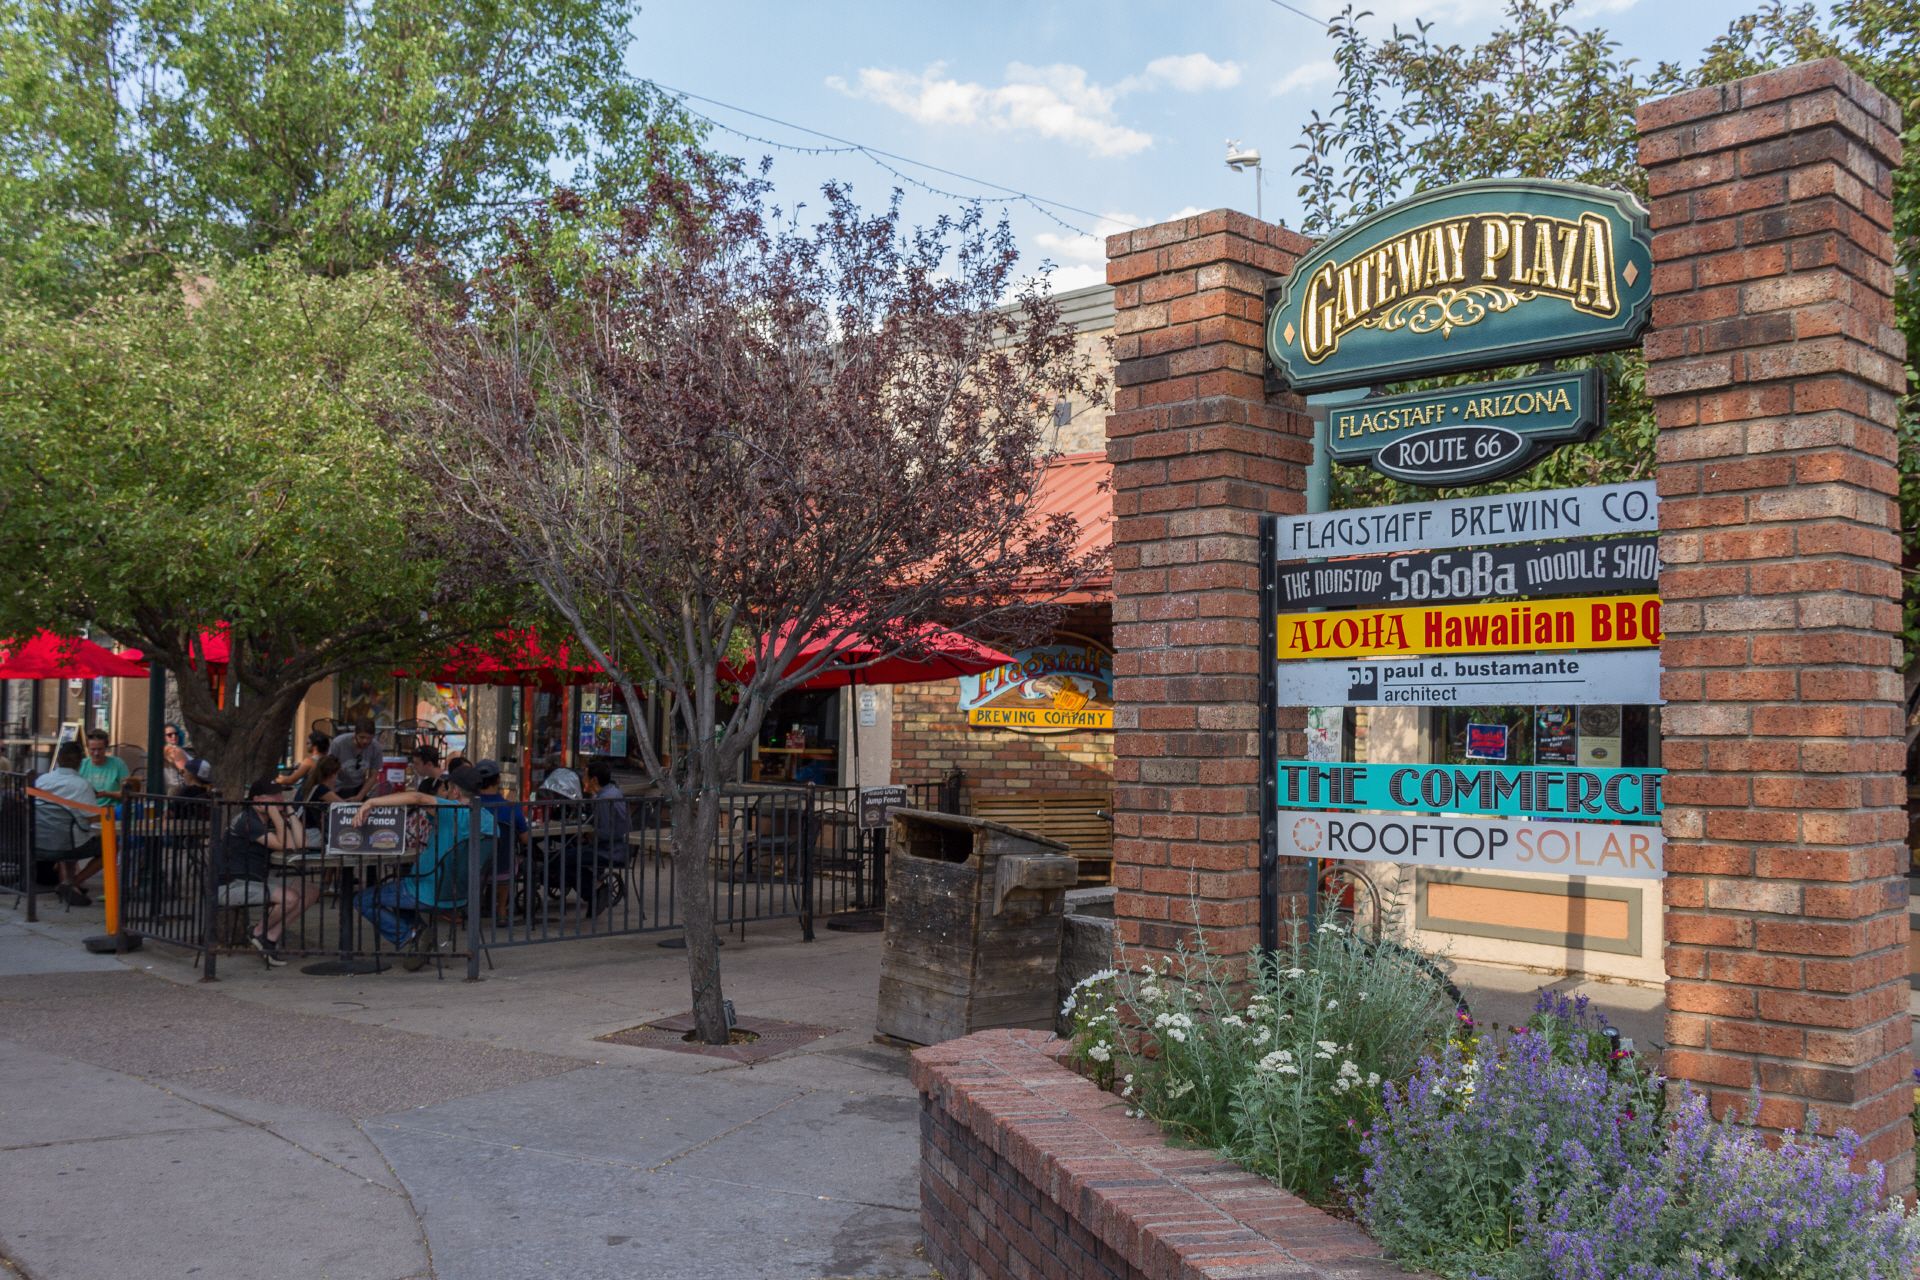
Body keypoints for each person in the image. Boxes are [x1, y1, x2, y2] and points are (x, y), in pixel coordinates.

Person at [352, 764, 496, 964]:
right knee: (396, 896)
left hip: (427, 888)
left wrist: (371, 802)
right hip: (462, 892)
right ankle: (419, 934)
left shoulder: (451, 809)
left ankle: (410, 935)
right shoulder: (489, 819)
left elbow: (418, 797)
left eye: (447, 788)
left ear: (455, 791)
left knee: (362, 900)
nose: (445, 792)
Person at [216, 779, 319, 967]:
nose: (279, 798)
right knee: (289, 898)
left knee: (310, 890)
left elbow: (301, 843)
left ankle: (269, 937)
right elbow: (288, 845)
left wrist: (290, 811)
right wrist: (276, 814)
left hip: (256, 880)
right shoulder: (247, 820)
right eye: (273, 796)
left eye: (280, 794)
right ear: (257, 800)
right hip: (232, 884)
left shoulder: (270, 818)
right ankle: (257, 932)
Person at [32, 742, 104, 905]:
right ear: (80, 762)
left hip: (41, 841)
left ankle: (70, 883)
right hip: (69, 843)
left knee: (69, 834)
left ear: (58, 760)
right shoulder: (82, 785)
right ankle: (71, 883)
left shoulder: (42, 780)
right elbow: (93, 819)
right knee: (111, 846)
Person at [328, 721, 383, 801]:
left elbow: (373, 776)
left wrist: (360, 796)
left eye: (369, 738)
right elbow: (329, 771)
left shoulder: (376, 747)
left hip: (358, 787)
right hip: (337, 786)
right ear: (355, 734)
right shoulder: (338, 743)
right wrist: (332, 795)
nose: (365, 741)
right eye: (362, 737)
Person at [161, 723, 212, 798]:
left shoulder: (176, 749)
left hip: (182, 790)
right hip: (183, 790)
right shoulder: (173, 750)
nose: (174, 736)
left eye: (176, 733)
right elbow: (187, 772)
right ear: (163, 737)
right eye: (169, 735)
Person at [78, 729, 129, 801]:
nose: (96, 753)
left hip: (111, 807)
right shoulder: (81, 764)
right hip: (85, 806)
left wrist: (106, 794)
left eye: (100, 749)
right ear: (87, 749)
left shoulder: (118, 764)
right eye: (93, 749)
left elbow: (127, 793)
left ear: (106, 748)